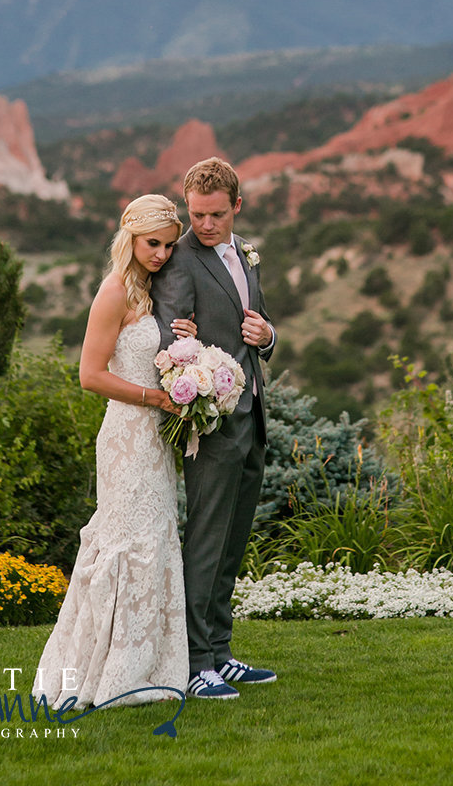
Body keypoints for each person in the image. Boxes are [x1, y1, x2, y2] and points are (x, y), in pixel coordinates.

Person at [35, 194, 196, 708]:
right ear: (129, 235)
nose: (162, 254)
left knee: (154, 539)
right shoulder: (112, 292)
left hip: (155, 440)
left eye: (170, 246)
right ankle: (107, 671)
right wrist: (155, 397)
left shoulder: (151, 290)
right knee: (126, 542)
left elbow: (152, 356)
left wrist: (182, 345)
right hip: (127, 436)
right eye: (154, 243)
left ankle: (145, 665)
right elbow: (90, 375)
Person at [150, 157, 277, 700]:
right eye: (197, 215)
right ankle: (196, 659)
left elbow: (263, 327)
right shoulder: (180, 262)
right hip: (210, 422)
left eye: (216, 215)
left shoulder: (244, 252)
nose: (205, 226)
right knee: (204, 540)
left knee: (232, 541)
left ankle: (222, 652)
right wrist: (187, 347)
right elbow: (169, 345)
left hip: (252, 415)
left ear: (237, 207)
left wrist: (267, 335)